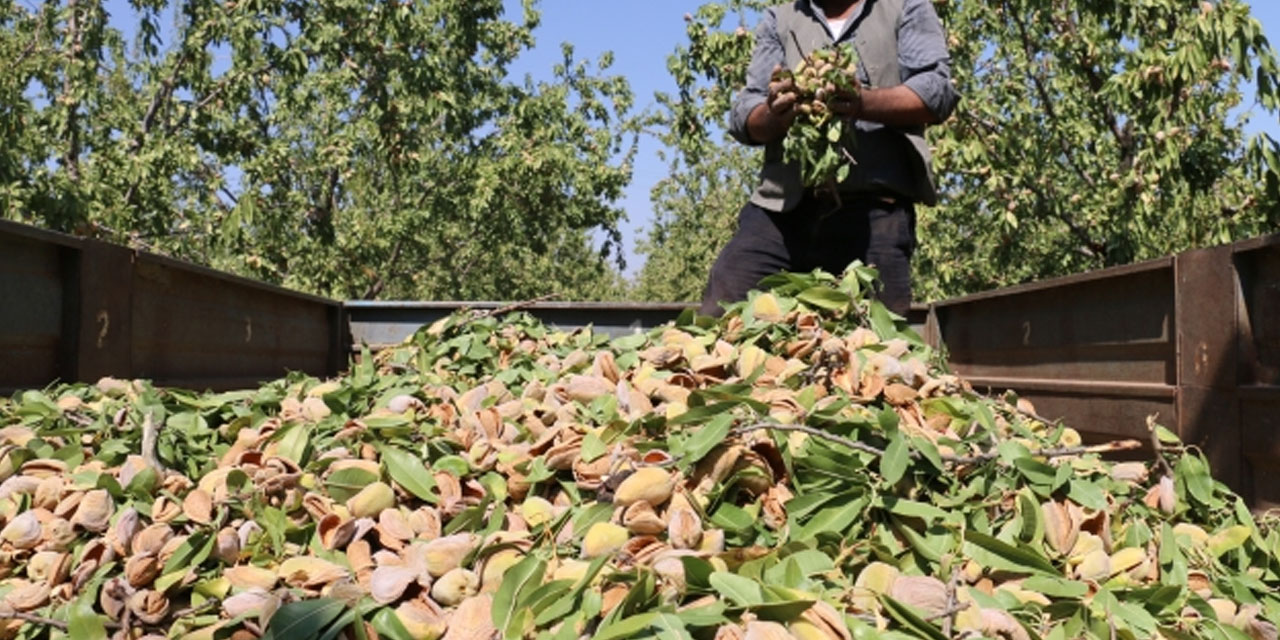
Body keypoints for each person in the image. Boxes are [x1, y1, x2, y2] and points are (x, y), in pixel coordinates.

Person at [698, 0, 959, 317]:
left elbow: (936, 93)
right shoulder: (779, 19)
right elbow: (744, 116)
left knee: (876, 345)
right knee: (722, 310)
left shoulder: (906, 7)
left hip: (876, 210)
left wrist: (862, 102)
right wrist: (775, 114)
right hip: (784, 210)